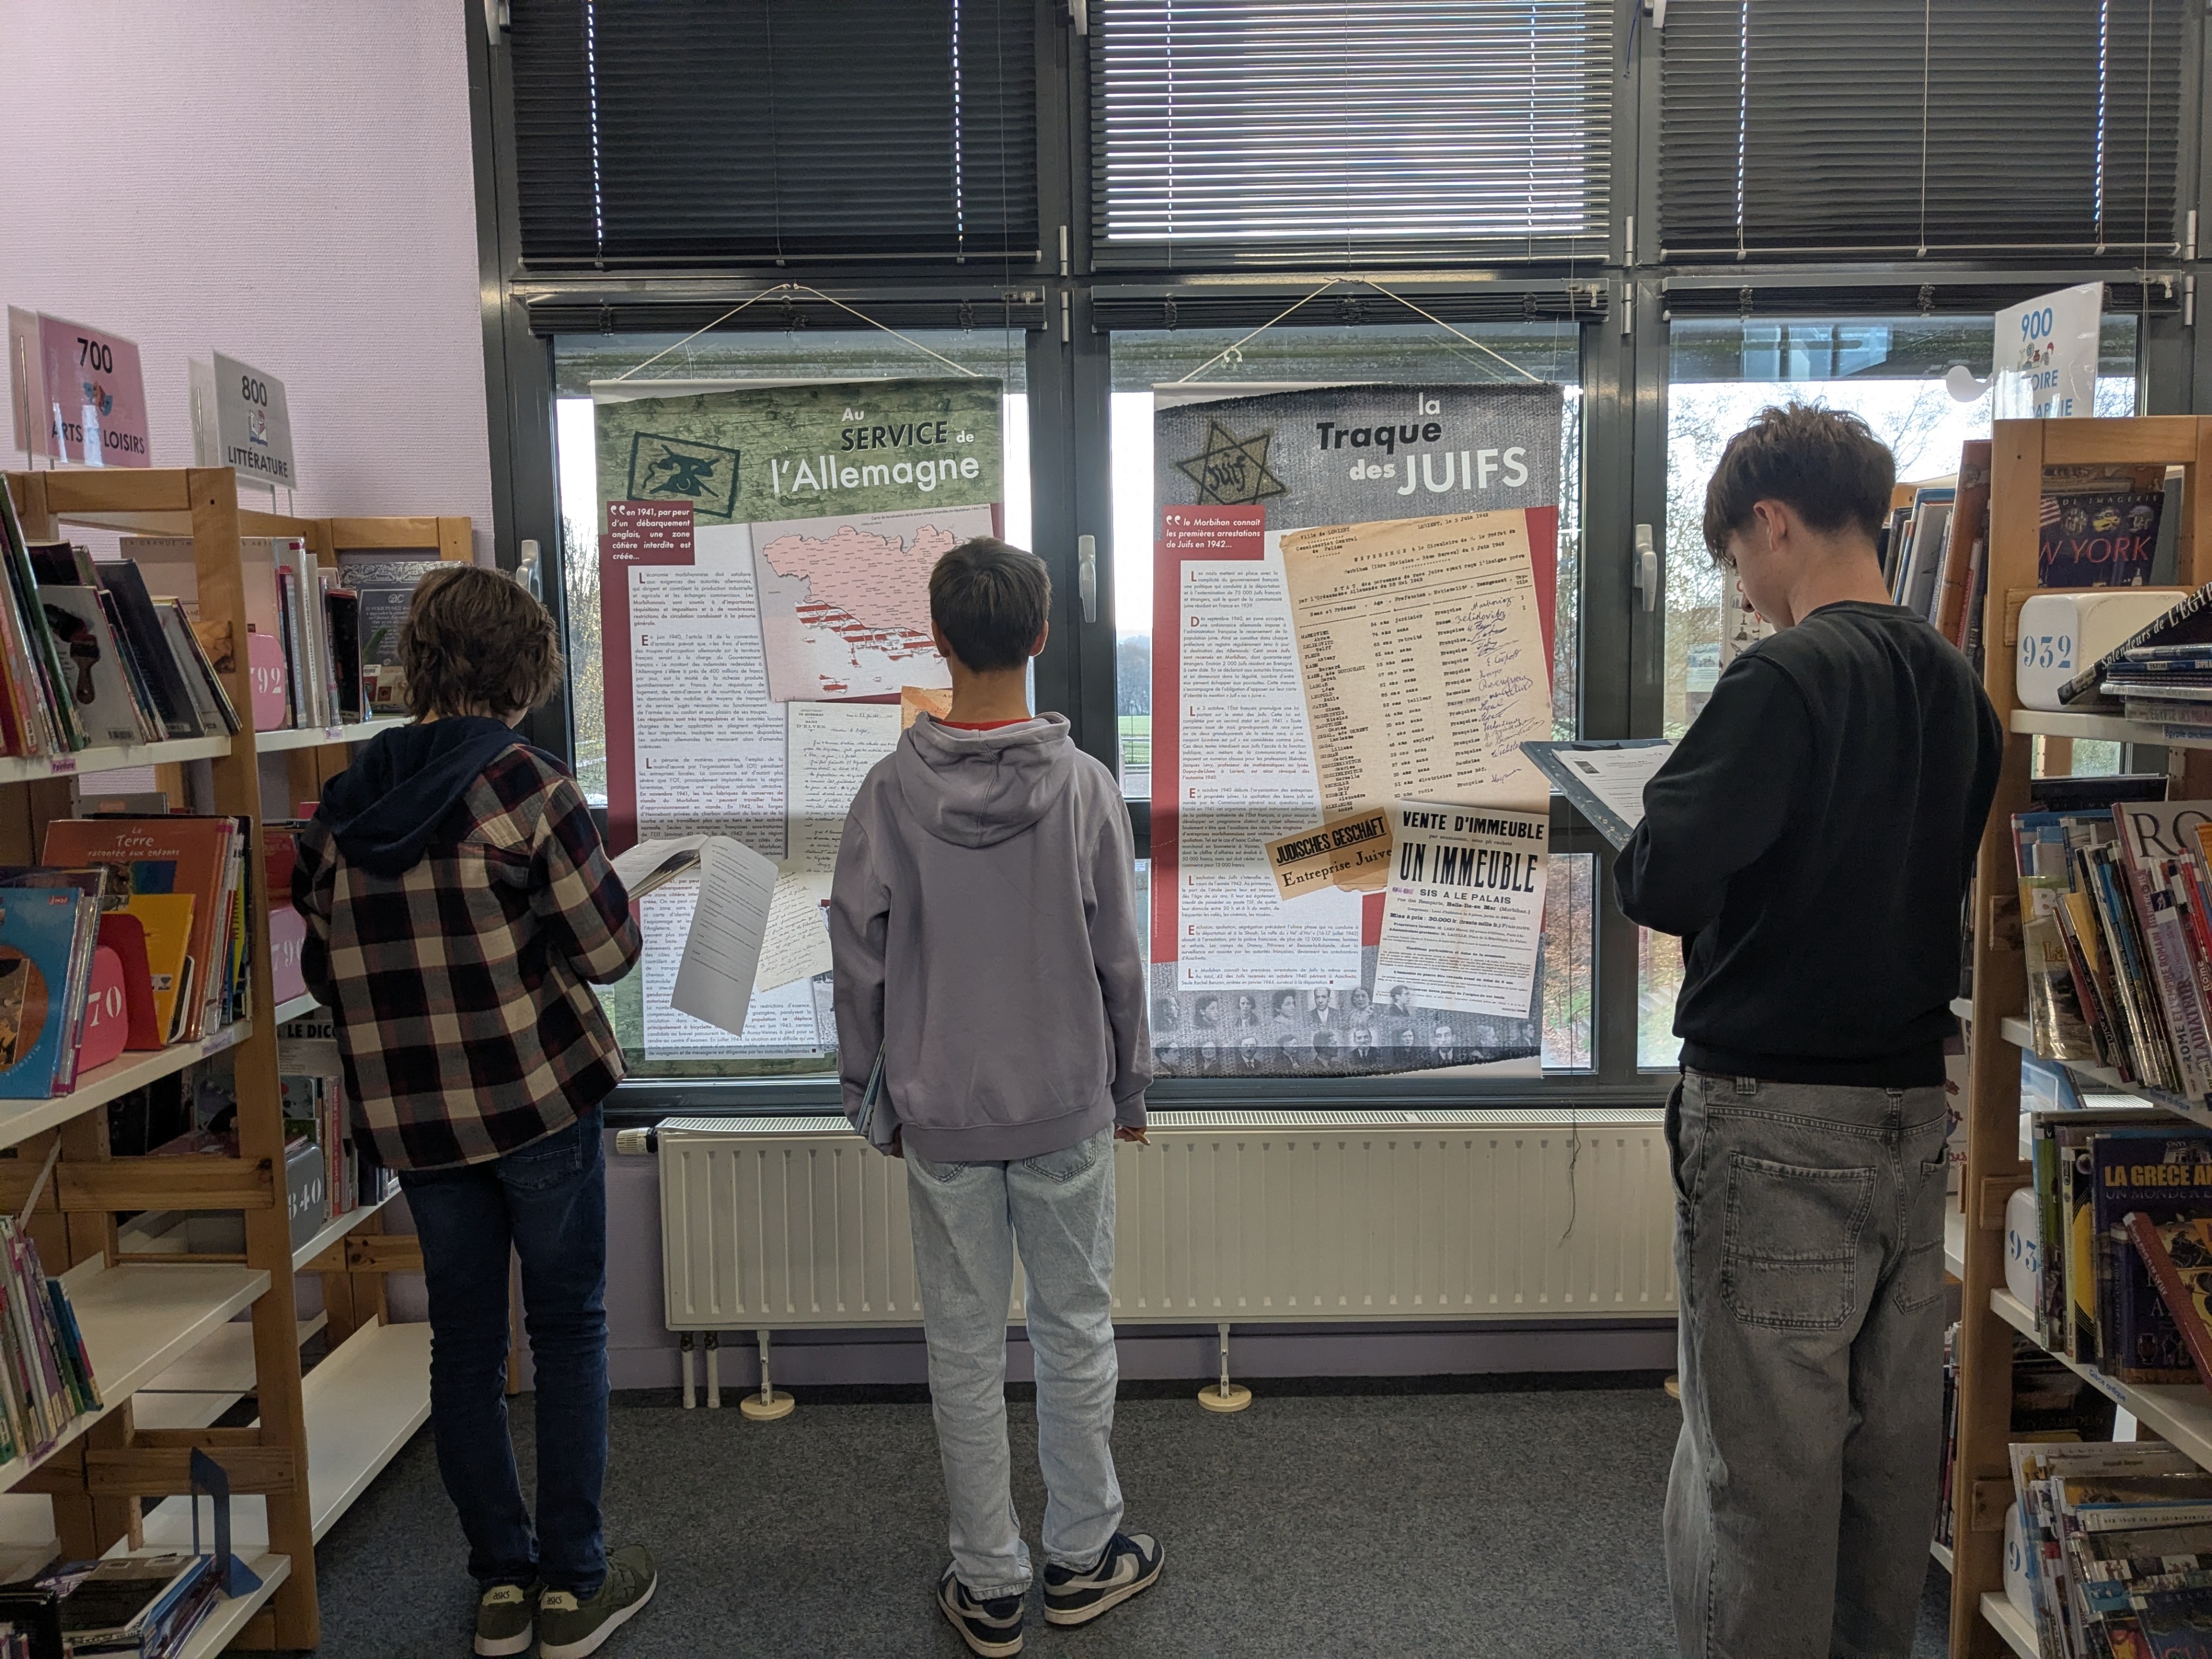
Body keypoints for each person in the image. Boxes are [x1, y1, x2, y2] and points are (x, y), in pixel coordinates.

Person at [1614, 404, 2002, 1659]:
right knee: (1885, 1472)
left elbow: (1663, 879)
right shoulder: (1960, 689)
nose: (1744, 590)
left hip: (1774, 1120)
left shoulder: (1783, 678)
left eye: (1737, 558)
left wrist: (1647, 817)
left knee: (1762, 1480)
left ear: (1772, 522)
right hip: (1912, 1116)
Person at [293, 566, 654, 1659]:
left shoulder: (341, 806)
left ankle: (501, 1583)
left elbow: (324, 972)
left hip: (415, 1123)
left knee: (462, 1346)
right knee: (568, 1330)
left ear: (422, 663)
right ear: (525, 672)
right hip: (535, 1103)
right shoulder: (528, 786)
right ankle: (574, 1586)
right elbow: (609, 951)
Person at [831, 537, 1163, 1657]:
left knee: (964, 1349)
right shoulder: (1086, 789)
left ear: (937, 638)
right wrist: (1130, 1084)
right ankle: (1082, 1556)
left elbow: (857, 961)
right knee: (1075, 1331)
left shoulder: (887, 792)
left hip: (942, 1114)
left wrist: (870, 1097)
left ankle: (987, 1581)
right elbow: (1119, 960)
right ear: (1042, 634)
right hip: (1067, 1101)